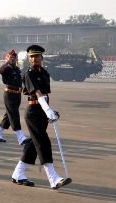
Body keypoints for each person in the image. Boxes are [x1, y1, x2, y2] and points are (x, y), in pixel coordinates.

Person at [11, 45, 72, 189]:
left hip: (42, 112)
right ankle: (53, 178)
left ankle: (18, 174)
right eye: (31, 57)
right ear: (28, 58)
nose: (34, 59)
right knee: (43, 143)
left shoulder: (44, 73)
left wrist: (50, 110)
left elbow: (44, 94)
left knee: (33, 145)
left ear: (41, 57)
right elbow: (37, 93)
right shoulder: (28, 74)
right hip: (33, 113)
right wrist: (47, 109)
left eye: (36, 56)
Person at [0, 49, 29, 145]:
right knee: (14, 115)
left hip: (17, 94)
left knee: (8, 116)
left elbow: (20, 81)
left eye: (14, 57)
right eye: (11, 57)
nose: (13, 59)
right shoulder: (6, 68)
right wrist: (7, 62)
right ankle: (20, 137)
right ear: (7, 58)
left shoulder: (17, 69)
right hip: (9, 94)